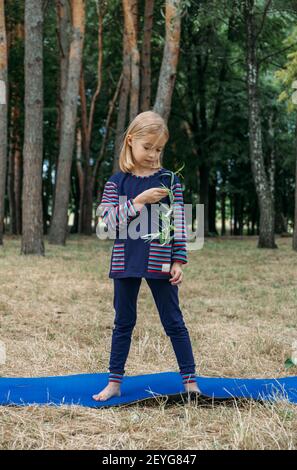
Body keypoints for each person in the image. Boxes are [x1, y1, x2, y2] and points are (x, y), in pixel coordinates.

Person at [93, 110, 201, 401]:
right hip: (125, 261)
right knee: (123, 322)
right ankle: (114, 382)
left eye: (159, 149)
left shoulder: (169, 181)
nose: (154, 154)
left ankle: (190, 382)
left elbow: (179, 222)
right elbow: (108, 224)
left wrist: (179, 260)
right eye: (147, 147)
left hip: (161, 262)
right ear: (130, 141)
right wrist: (138, 202)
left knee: (174, 321)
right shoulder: (117, 183)